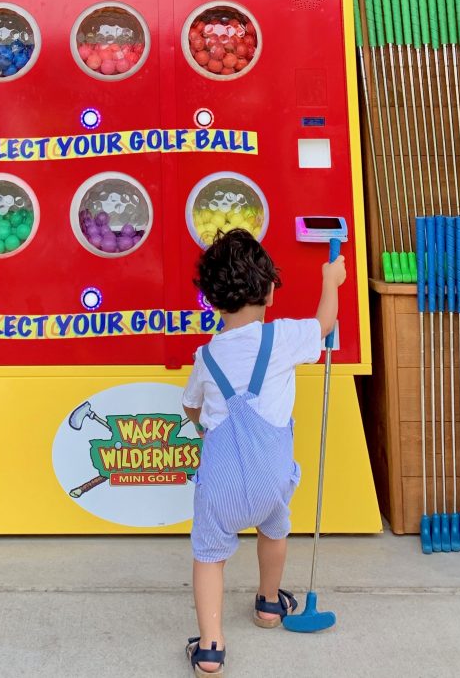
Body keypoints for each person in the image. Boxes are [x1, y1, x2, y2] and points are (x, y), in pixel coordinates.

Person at [182, 229, 346, 676]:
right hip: (272, 479)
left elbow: (191, 407)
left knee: (209, 555)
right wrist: (331, 280)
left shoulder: (205, 355)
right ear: (271, 291)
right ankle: (270, 603)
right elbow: (324, 324)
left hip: (220, 485)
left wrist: (206, 433)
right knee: (275, 531)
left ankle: (211, 647)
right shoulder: (285, 338)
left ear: (212, 300)